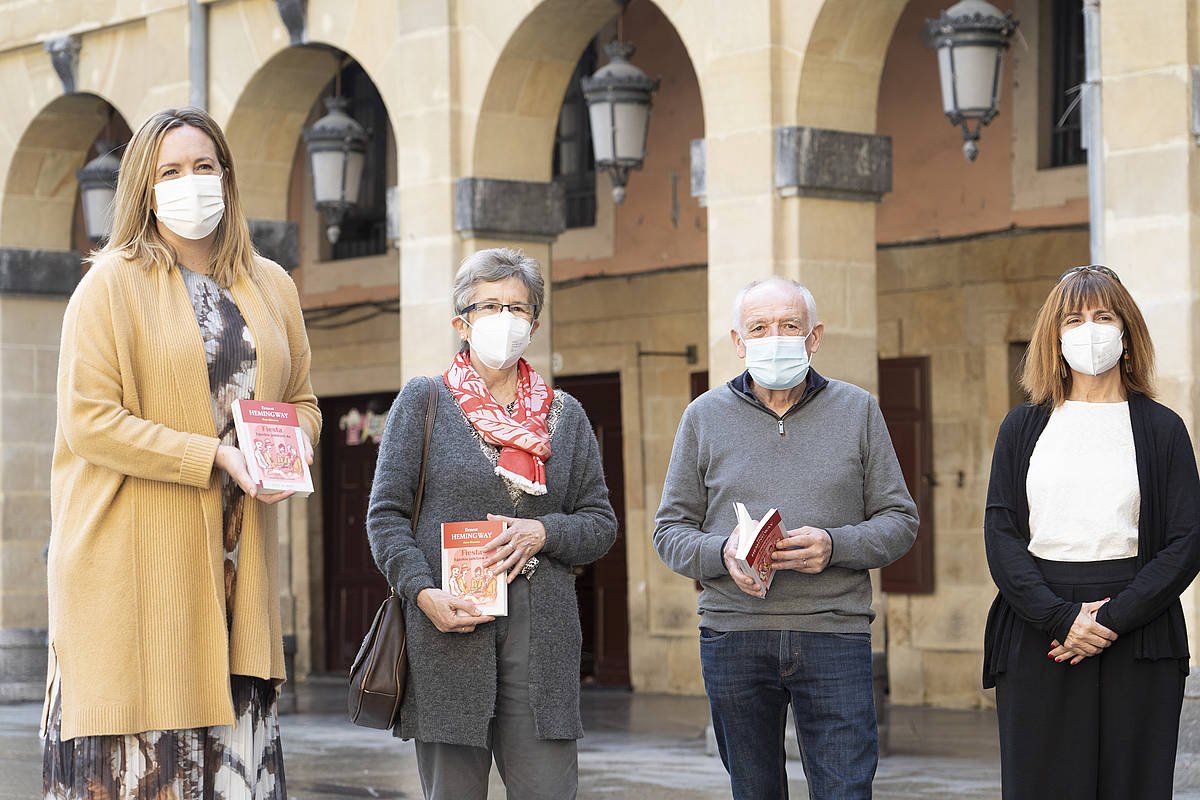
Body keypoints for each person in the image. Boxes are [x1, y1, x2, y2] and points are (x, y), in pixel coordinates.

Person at [42, 107, 320, 799]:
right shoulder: (108, 284)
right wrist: (215, 457)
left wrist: (291, 453)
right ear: (143, 186)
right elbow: (90, 422)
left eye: (203, 167)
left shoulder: (272, 285)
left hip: (236, 577)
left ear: (227, 177)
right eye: (170, 171)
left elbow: (306, 401)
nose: (189, 183)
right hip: (134, 571)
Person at [366, 247, 617, 800]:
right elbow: (385, 517)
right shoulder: (425, 401)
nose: (505, 319)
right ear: (462, 321)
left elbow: (600, 523)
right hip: (450, 627)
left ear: (535, 322)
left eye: (518, 308)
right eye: (490, 306)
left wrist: (544, 532)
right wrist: (421, 593)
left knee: (548, 789)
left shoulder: (565, 415)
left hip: (542, 634)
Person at [653, 276, 918, 800]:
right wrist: (722, 551)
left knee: (846, 790)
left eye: (789, 325)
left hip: (834, 634)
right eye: (759, 327)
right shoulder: (702, 417)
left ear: (814, 337)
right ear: (738, 341)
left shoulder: (858, 409)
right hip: (733, 635)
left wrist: (834, 545)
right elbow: (669, 531)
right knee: (753, 791)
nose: (774, 337)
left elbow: (900, 520)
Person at [983, 265, 1200, 800]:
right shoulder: (1022, 426)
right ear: (1054, 337)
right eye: (1074, 319)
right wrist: (1061, 619)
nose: (1090, 329)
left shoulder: (1162, 428)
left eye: (1103, 316)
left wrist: (1110, 620)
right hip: (1039, 627)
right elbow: (1001, 533)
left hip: (1138, 628)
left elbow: (1186, 540)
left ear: (1126, 331)